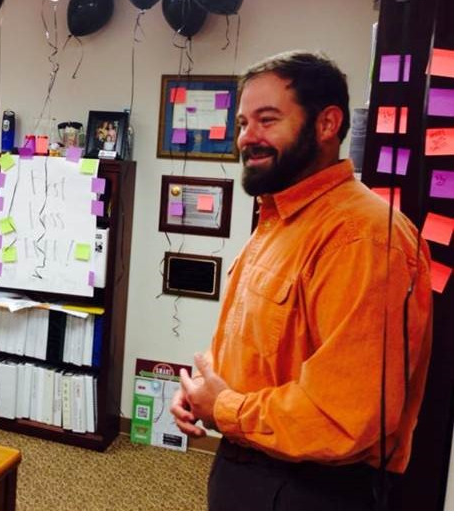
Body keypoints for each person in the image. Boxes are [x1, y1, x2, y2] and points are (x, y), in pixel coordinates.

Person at [170, 52, 432, 511]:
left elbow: (342, 417)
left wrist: (224, 407)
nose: (247, 138)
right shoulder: (280, 218)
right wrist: (204, 392)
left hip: (310, 489)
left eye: (267, 120)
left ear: (327, 123)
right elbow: (267, 344)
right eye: (241, 123)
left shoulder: (362, 238)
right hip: (252, 466)